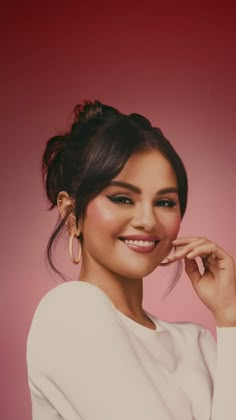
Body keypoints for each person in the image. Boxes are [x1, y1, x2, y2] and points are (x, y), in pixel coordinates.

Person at [26, 100, 236, 420]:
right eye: (122, 198)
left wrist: (230, 317)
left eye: (165, 202)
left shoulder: (197, 341)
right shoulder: (70, 310)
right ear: (71, 213)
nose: (148, 220)